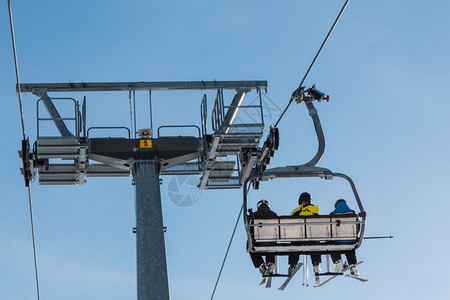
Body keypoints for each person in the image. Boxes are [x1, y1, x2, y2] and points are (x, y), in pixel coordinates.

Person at [288, 192, 322, 283]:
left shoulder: (296, 211)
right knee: (315, 245)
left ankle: (293, 263)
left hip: (298, 239)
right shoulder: (314, 211)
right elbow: (320, 224)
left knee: (293, 245)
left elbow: (290, 224)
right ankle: (316, 263)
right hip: (312, 239)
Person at [330, 199, 360, 277]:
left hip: (337, 241)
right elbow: (357, 226)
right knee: (350, 249)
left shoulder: (332, 214)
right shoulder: (353, 213)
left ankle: (338, 262)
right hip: (350, 239)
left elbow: (330, 228)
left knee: (332, 245)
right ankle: (353, 266)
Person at [250, 199, 278, 274]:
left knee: (250, 248)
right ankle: (270, 263)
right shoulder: (274, 214)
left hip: (259, 242)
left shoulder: (254, 215)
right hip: (271, 241)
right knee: (271, 248)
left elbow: (250, 228)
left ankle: (260, 264)